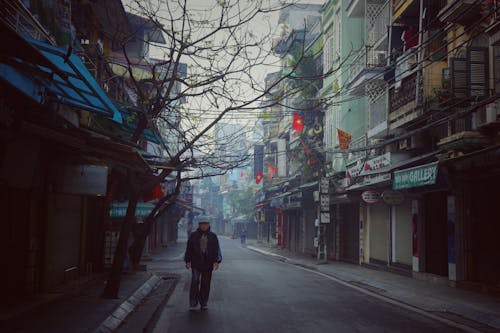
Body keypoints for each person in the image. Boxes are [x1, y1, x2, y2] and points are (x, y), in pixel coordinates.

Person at [184, 216, 222, 311]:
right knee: (195, 281)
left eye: (206, 224)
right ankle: (193, 302)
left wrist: (216, 261)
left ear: (209, 225)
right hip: (196, 262)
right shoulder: (193, 235)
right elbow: (189, 249)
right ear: (199, 225)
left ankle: (203, 302)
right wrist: (187, 260)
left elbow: (217, 250)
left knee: (206, 283)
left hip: (208, 263)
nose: (204, 226)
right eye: (202, 224)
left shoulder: (213, 236)